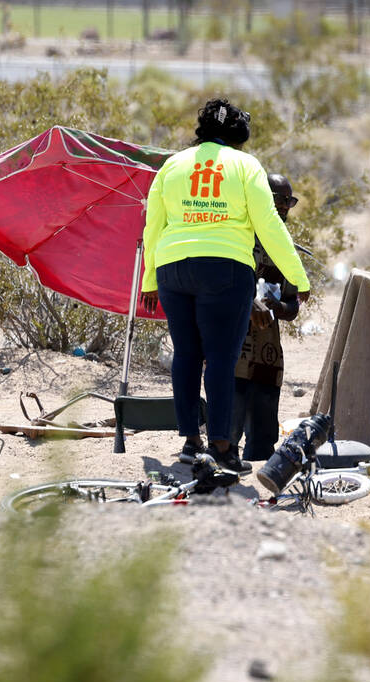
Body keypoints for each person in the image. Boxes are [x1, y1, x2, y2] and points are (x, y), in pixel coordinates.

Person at [140, 98, 310, 473]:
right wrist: (297, 276)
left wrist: (150, 279)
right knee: (219, 359)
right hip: (225, 270)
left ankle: (189, 442)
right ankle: (221, 448)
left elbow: (153, 226)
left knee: (185, 355)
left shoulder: (172, 166)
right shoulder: (246, 166)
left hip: (172, 269)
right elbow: (269, 225)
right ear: (238, 136)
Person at [230, 173, 307, 462]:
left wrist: (277, 306)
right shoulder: (236, 236)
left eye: (291, 200)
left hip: (267, 358)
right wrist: (248, 304)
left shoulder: (284, 247)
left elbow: (293, 305)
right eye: (281, 199)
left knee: (262, 448)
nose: (287, 206)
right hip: (233, 353)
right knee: (226, 436)